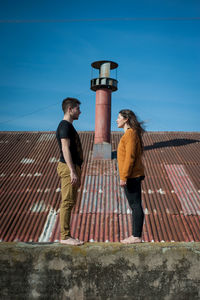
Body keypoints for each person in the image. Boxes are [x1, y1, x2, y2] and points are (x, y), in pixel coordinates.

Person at [56, 97, 84, 245]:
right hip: (68, 167)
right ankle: (65, 236)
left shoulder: (68, 126)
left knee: (71, 201)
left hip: (71, 167)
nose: (80, 111)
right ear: (70, 109)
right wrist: (72, 170)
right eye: (77, 109)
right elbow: (65, 148)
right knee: (67, 201)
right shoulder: (65, 126)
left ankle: (67, 235)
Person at [116, 109, 145, 244]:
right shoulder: (130, 134)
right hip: (132, 175)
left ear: (126, 119)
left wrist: (124, 176)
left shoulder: (130, 134)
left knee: (135, 205)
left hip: (131, 176)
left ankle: (136, 236)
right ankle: (136, 236)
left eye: (119, 117)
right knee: (135, 205)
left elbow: (130, 157)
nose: (117, 120)